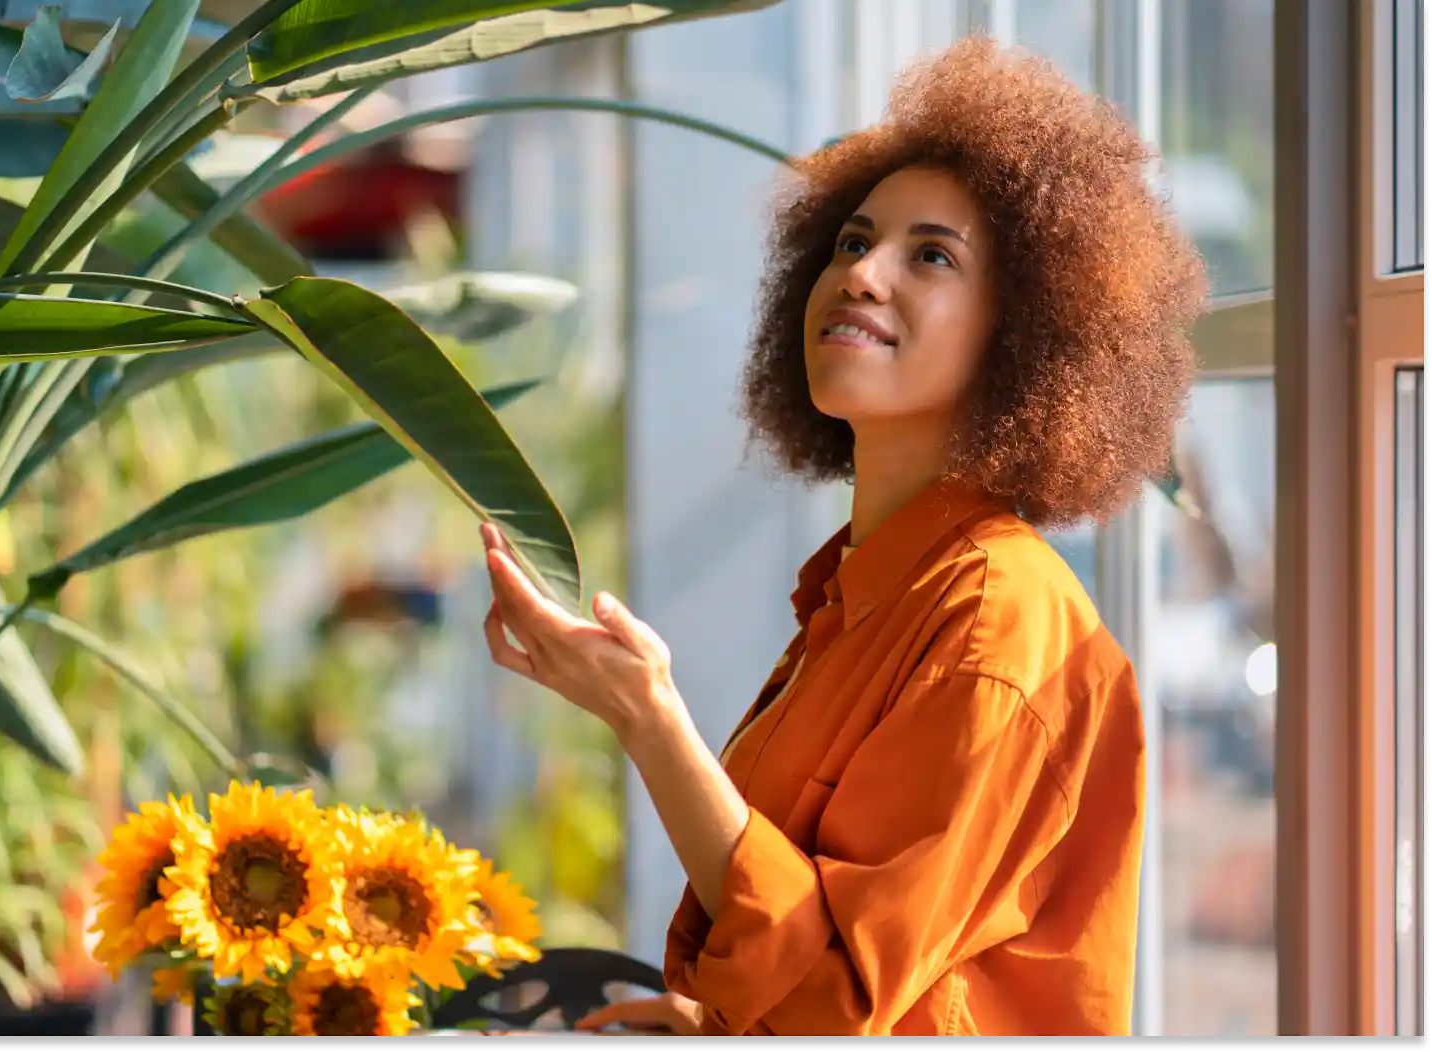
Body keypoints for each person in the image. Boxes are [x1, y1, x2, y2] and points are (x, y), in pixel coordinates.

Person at [477, 35, 1206, 1037]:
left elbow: (839, 998)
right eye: (852, 240)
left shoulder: (995, 619)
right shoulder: (868, 586)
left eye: (931, 256)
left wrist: (648, 716)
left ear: (1027, 331)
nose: (862, 273)